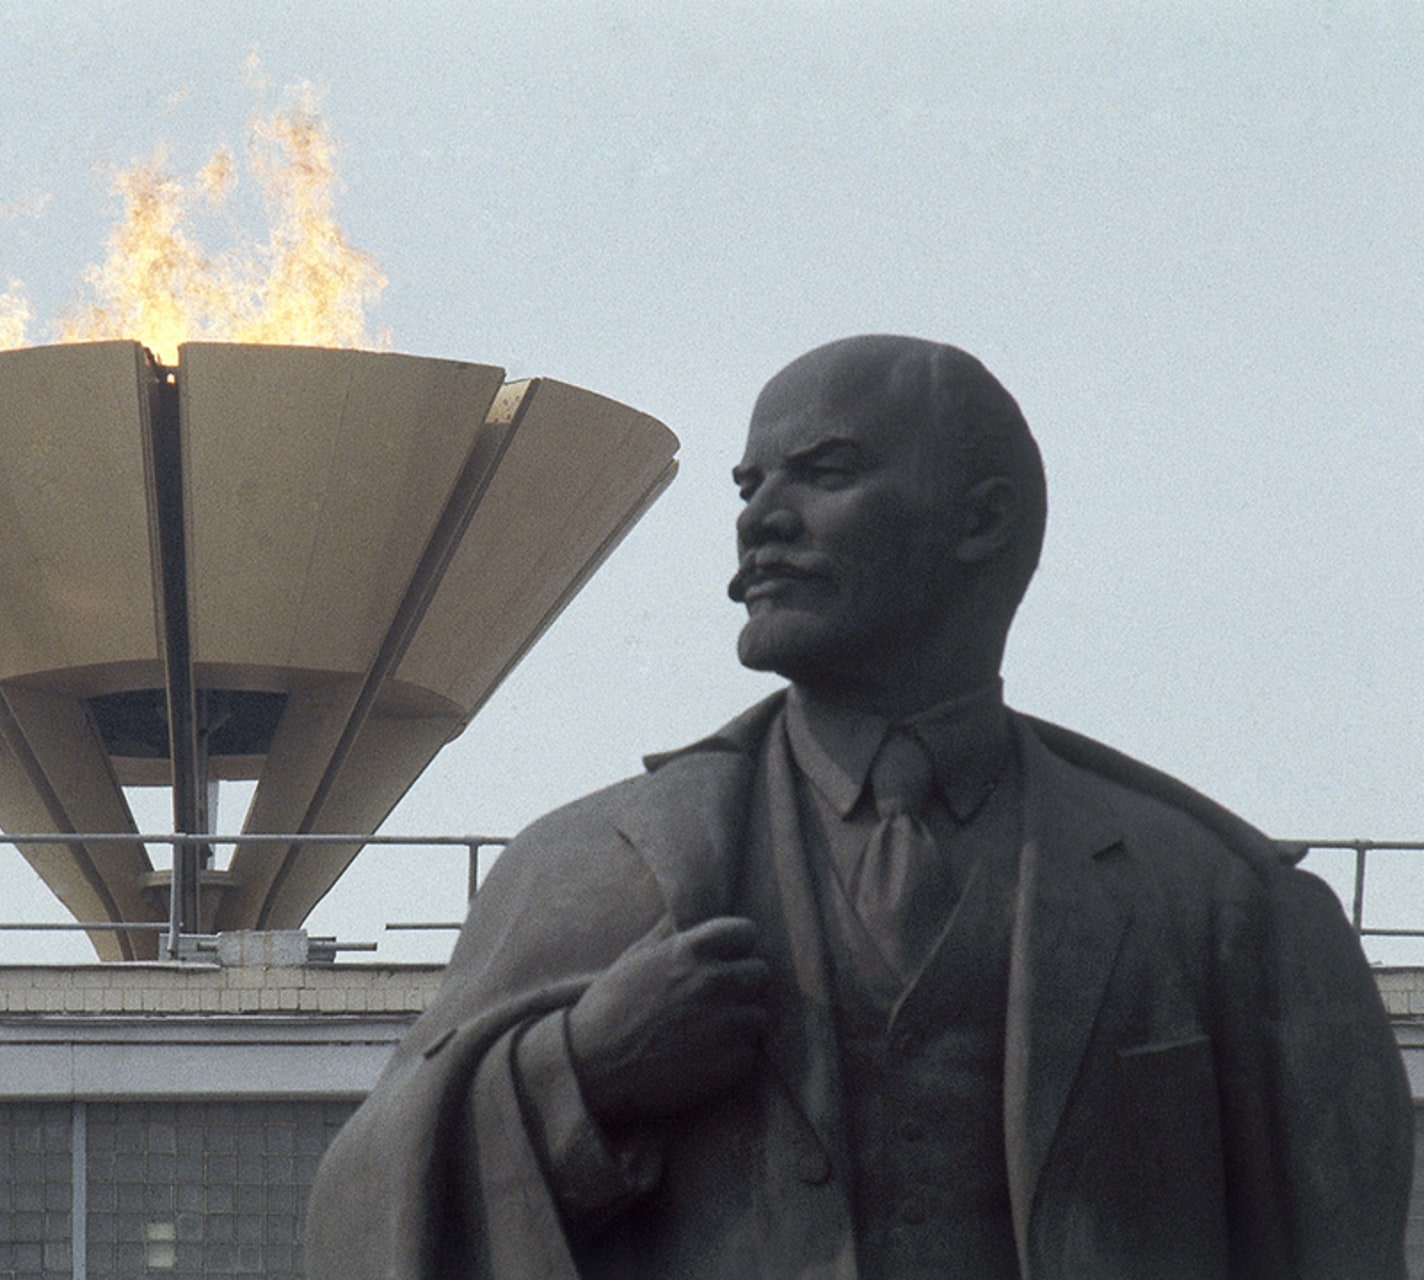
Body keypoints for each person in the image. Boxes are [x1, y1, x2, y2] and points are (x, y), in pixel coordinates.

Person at [304, 335, 1411, 1279]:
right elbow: (359, 1210)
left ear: (981, 522)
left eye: (822, 472)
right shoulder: (588, 864)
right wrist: (577, 1070)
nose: (762, 522)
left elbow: (1337, 1226)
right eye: (748, 488)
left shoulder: (1223, 903)